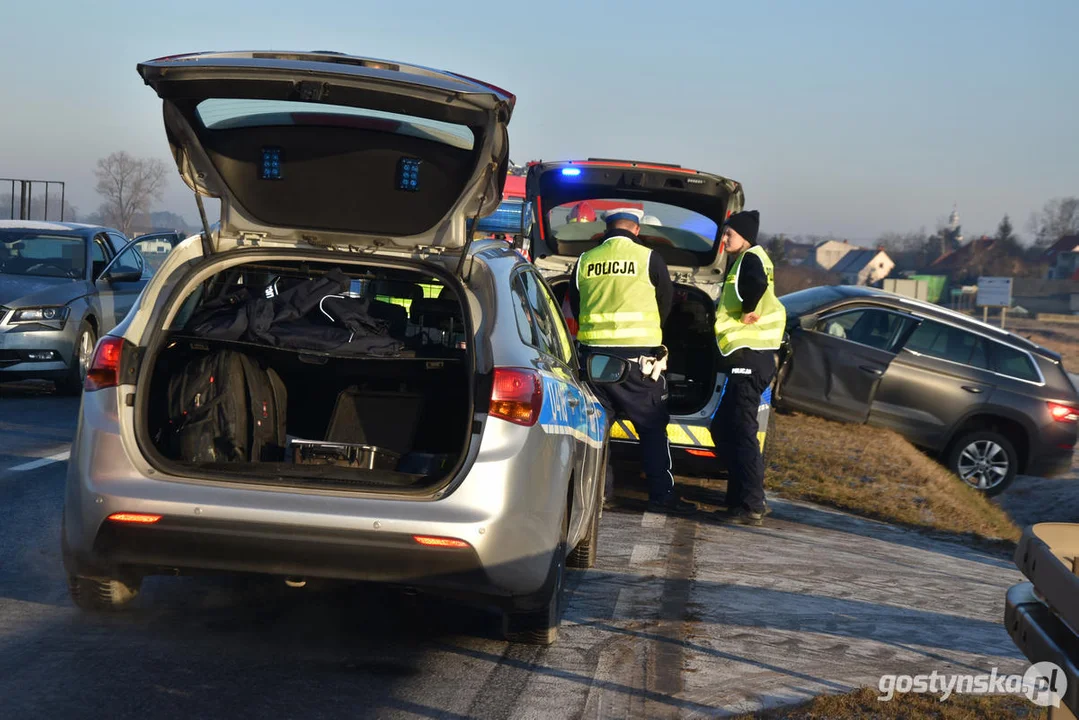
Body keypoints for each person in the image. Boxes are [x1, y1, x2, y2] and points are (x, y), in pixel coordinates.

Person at [570, 207, 696, 515]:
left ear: (607, 229)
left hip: (594, 359)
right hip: (639, 362)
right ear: (636, 230)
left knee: (597, 430)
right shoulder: (649, 258)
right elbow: (664, 301)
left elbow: (575, 304)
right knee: (652, 428)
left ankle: (599, 494)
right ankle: (661, 495)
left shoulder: (585, 260)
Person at [709, 210, 786, 526]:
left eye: (730, 234)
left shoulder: (751, 259)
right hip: (748, 357)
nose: (725, 239)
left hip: (751, 357)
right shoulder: (749, 259)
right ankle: (739, 499)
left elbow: (754, 285)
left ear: (745, 236)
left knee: (741, 431)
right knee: (724, 429)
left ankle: (752, 504)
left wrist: (747, 310)